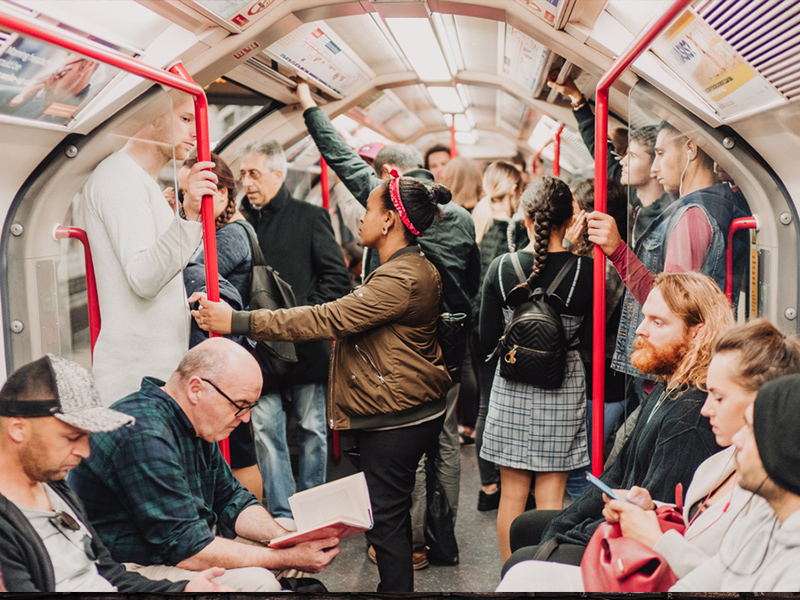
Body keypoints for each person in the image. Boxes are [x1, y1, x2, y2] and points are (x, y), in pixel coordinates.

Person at [192, 174, 452, 592]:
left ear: (388, 221)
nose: (360, 218)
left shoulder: (400, 278)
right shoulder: (408, 266)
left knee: (385, 525)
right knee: (389, 518)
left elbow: (326, 317)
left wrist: (237, 320)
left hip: (396, 417)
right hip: (405, 406)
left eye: (368, 209)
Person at [296, 81, 480, 567]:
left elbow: (339, 156)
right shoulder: (460, 216)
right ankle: (443, 540)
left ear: (390, 178)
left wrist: (310, 107)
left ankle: (411, 543)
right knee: (442, 447)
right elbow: (475, 283)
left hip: (402, 350)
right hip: (450, 344)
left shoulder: (394, 204)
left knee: (405, 448)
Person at [497, 318, 800, 591]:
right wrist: (652, 507)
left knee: (524, 572)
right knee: (524, 568)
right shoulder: (726, 460)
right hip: (667, 572)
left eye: (658, 321)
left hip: (662, 571)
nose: (640, 329)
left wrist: (654, 538)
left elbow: (718, 577)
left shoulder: (758, 486)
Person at [69, 338, 338, 592]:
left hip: (174, 549)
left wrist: (283, 539)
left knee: (293, 532)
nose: (245, 419)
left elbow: (232, 498)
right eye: (240, 405)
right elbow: (187, 549)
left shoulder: (192, 421)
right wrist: (287, 556)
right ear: (196, 388)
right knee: (257, 582)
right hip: (124, 569)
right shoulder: (144, 434)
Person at [504, 271, 732, 570]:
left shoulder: (690, 419)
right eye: (645, 317)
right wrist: (564, 526)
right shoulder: (668, 386)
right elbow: (619, 471)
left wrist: (568, 537)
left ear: (696, 334)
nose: (640, 330)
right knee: (525, 526)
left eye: (657, 322)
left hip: (644, 552)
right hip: (622, 518)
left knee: (521, 561)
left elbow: (652, 519)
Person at [0, 354, 229, 593]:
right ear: (18, 429)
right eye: (72, 437)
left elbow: (107, 573)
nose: (85, 451)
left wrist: (181, 590)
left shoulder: (55, 486)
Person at [588, 122, 751, 394]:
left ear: (691, 148)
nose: (654, 168)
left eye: (661, 154)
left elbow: (669, 306)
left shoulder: (692, 217)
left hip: (674, 369)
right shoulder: (726, 202)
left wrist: (617, 250)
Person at [479, 176, 593, 562]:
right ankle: (546, 573)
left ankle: (510, 573)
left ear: (526, 219)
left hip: (511, 384)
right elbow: (593, 341)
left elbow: (486, 338)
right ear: (570, 219)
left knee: (511, 493)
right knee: (550, 495)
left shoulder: (500, 267)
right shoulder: (586, 272)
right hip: (564, 385)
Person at [237, 140, 351, 521]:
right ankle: (285, 513)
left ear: (277, 174)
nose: (246, 183)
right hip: (259, 347)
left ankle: (314, 508)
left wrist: (303, 317)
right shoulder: (239, 223)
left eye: (254, 174)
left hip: (305, 345)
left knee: (312, 428)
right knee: (267, 430)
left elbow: (336, 278)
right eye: (242, 175)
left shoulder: (311, 216)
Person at [75, 96, 208, 405]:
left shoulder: (140, 181)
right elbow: (144, 278)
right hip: (134, 379)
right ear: (152, 118)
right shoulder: (119, 178)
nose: (196, 134)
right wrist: (188, 215)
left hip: (153, 371)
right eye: (186, 120)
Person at [178, 153, 262, 500]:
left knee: (239, 450)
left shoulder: (229, 236)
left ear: (223, 195)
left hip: (228, 356)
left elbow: (185, 270)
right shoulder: (222, 230)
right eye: (182, 194)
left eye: (194, 194)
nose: (187, 204)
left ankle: (247, 529)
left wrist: (179, 221)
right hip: (222, 352)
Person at [670, 373, 800, 592]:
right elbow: (700, 582)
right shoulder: (765, 518)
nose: (738, 439)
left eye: (751, 428)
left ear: (785, 445)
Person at [1, 52, 99, 124]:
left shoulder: (86, 110)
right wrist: (17, 101)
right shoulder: (37, 98)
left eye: (62, 74)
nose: (52, 80)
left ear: (89, 66)